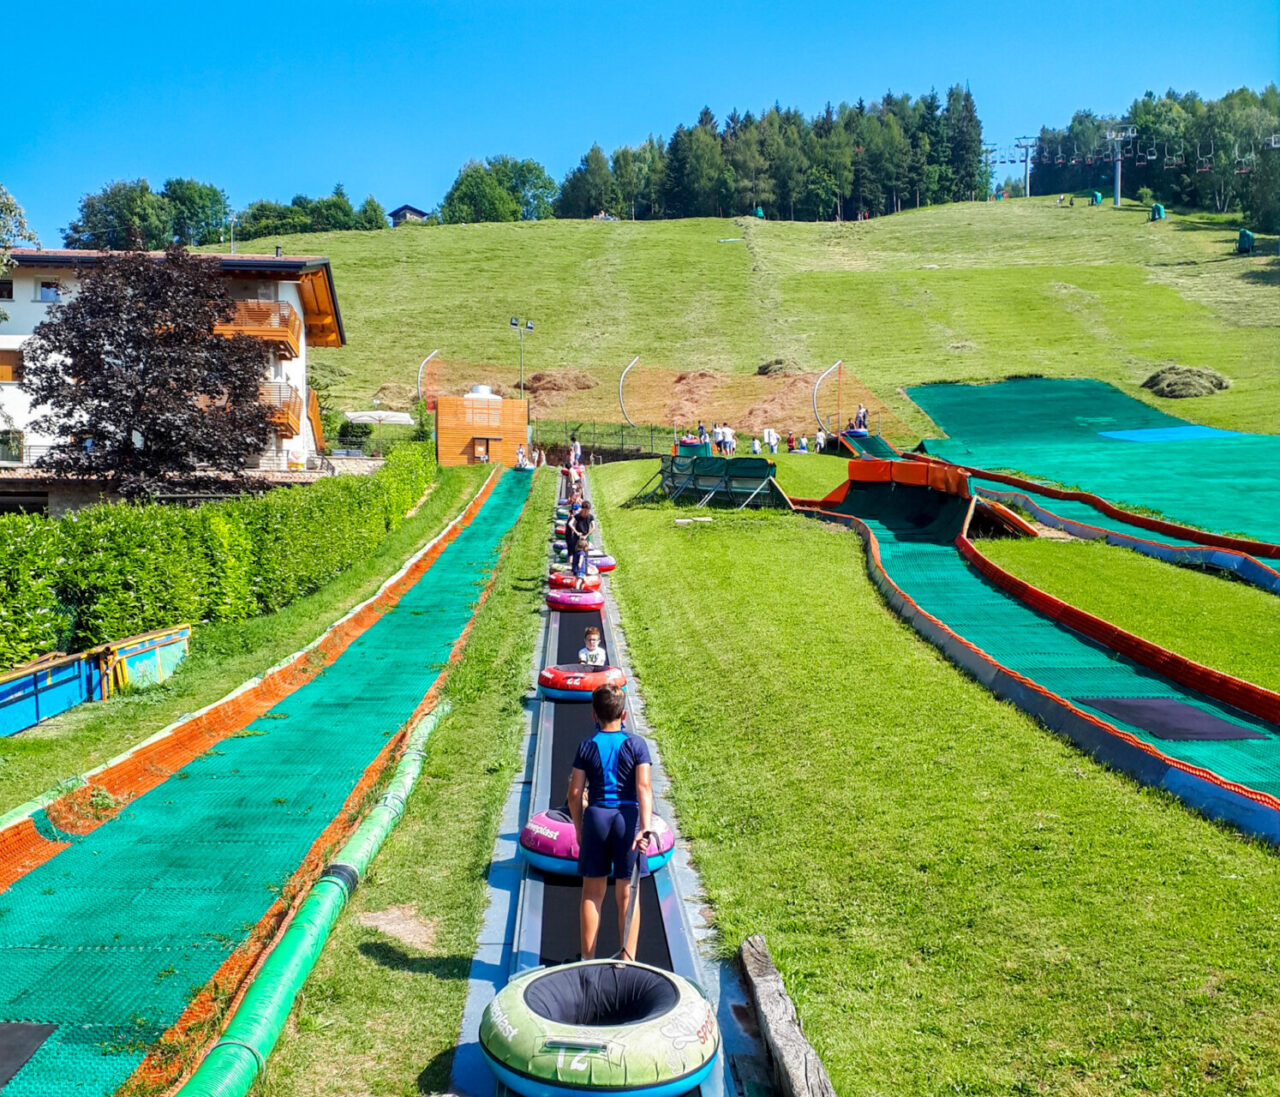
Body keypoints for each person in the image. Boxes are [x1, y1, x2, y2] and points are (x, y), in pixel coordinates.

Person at [569, 684, 652, 960]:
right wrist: (645, 826)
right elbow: (643, 787)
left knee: (592, 895)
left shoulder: (586, 746)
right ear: (624, 714)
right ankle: (627, 961)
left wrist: (580, 828)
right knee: (627, 895)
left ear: (594, 716)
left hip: (597, 817)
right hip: (626, 819)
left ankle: (588, 959)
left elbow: (575, 793)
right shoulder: (637, 745)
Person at [565, 501, 596, 588]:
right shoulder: (577, 516)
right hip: (577, 540)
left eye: (587, 511)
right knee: (577, 556)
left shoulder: (590, 517)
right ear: (582, 509)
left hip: (584, 540)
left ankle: (583, 574)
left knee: (584, 557)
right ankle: (575, 574)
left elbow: (593, 527)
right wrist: (576, 532)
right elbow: (570, 524)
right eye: (584, 510)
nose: (586, 512)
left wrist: (586, 535)